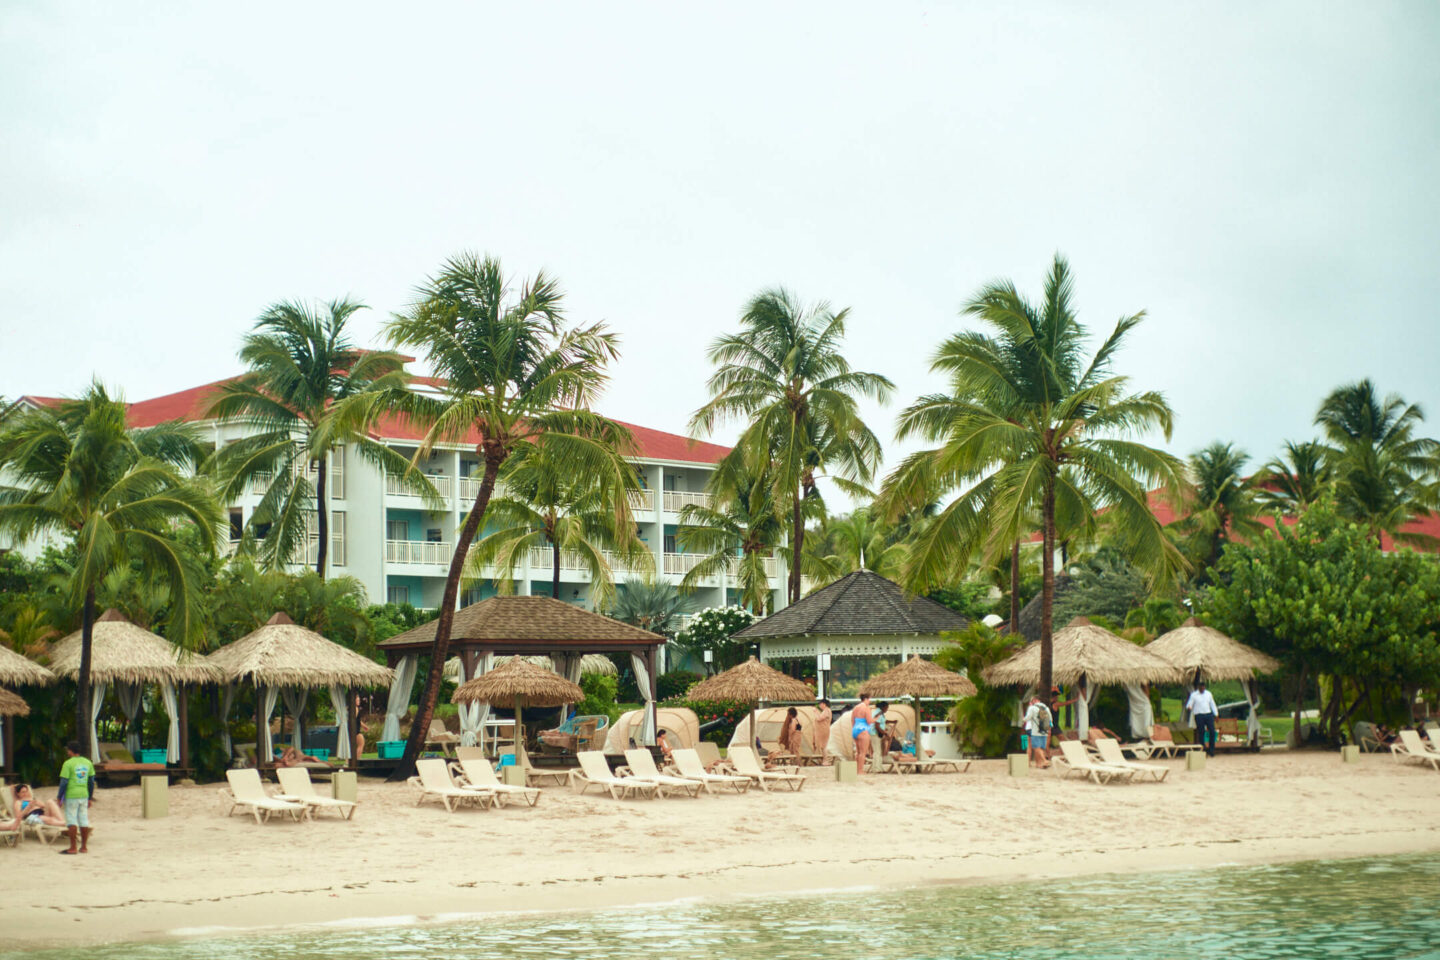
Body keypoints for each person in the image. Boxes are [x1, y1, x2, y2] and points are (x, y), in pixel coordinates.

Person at [57, 740, 95, 855]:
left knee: (71, 819)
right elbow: (91, 781)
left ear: (70, 750)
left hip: (72, 795)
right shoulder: (88, 762)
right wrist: (90, 797)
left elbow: (64, 782)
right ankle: (84, 847)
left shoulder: (68, 764)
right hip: (84, 794)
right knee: (83, 819)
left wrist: (59, 797)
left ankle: (73, 847)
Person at [1186, 681, 1219, 757]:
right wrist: (1189, 707)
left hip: (1208, 714)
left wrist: (1216, 714)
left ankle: (1211, 750)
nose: (1202, 689)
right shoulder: (1194, 695)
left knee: (1212, 731)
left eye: (1203, 687)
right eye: (1201, 687)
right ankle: (1203, 748)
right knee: (1201, 732)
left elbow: (1212, 704)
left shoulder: (1208, 694)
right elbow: (1189, 704)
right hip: (1199, 715)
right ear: (1198, 687)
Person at [1022, 695, 1052, 769]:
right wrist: (1049, 729)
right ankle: (1039, 763)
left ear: (1034, 700)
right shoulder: (1046, 708)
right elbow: (1050, 719)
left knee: (1033, 746)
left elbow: (1027, 718)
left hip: (1033, 729)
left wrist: (1023, 719)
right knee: (1041, 747)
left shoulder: (1031, 708)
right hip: (1043, 729)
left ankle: (1041, 761)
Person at [852, 693, 875, 775]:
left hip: (855, 729)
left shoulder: (855, 708)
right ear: (866, 699)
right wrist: (876, 719)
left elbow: (852, 721)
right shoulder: (866, 708)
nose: (870, 701)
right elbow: (869, 721)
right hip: (863, 730)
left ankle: (856, 770)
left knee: (858, 752)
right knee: (863, 752)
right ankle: (860, 770)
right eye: (869, 699)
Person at [813, 699, 832, 764]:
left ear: (824, 704)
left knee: (824, 746)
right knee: (823, 746)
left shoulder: (826, 710)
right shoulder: (825, 711)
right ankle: (825, 760)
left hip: (824, 730)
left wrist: (815, 712)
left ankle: (826, 760)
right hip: (823, 730)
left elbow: (819, 718)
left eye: (820, 704)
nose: (819, 706)